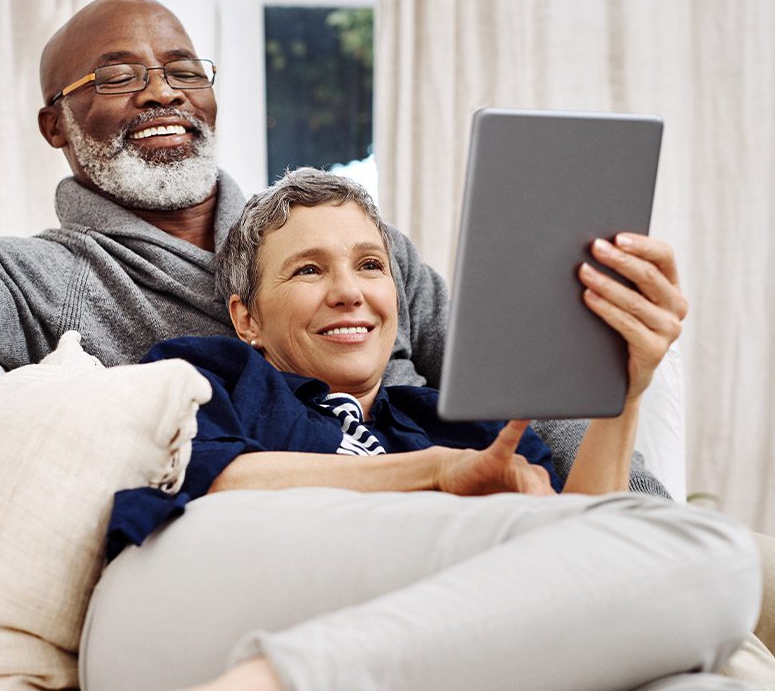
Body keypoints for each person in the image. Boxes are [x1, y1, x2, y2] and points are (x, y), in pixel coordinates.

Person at [0, 0, 668, 495]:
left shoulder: (352, 244)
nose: (162, 93)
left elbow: (529, 407)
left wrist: (639, 517)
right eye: (117, 75)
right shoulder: (43, 277)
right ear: (56, 126)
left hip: (497, 519)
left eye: (184, 70)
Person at [78, 169, 761, 691]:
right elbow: (218, 479)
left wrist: (624, 386)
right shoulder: (210, 370)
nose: (349, 291)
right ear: (248, 318)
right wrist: (432, 473)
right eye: (309, 269)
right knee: (718, 554)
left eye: (370, 266)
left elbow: (589, 544)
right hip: (198, 607)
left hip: (414, 635)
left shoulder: (457, 420)